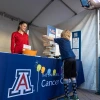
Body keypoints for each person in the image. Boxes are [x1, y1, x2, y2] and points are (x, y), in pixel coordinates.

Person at [42, 30, 79, 100]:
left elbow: (51, 38)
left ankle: (67, 96)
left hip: (67, 59)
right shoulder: (68, 41)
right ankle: (75, 95)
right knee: (73, 76)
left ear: (62, 35)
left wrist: (44, 36)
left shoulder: (61, 40)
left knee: (66, 77)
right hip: (73, 58)